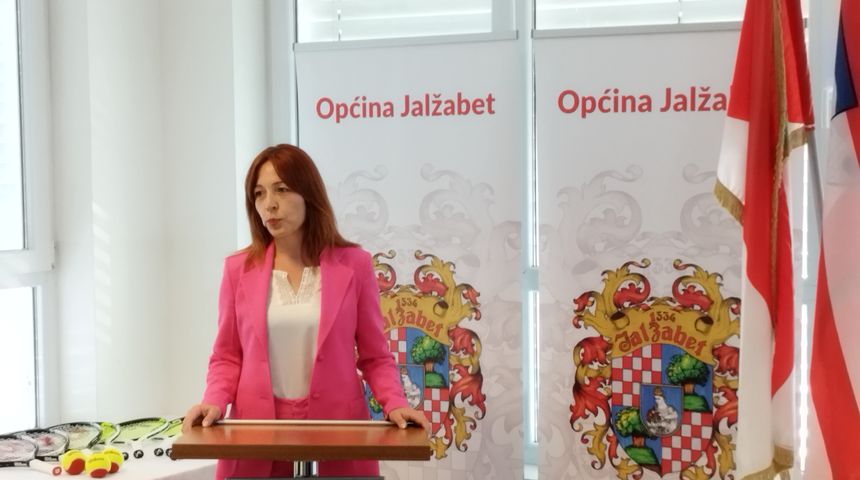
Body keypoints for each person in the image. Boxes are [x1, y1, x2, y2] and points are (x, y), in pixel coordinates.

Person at [182, 144, 430, 479]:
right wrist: (213, 400)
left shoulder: (355, 265)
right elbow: (227, 356)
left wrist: (395, 403)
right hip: (255, 433)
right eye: (259, 193)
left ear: (309, 193)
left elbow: (374, 356)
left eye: (282, 189)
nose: (269, 204)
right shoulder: (237, 269)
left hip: (338, 432)